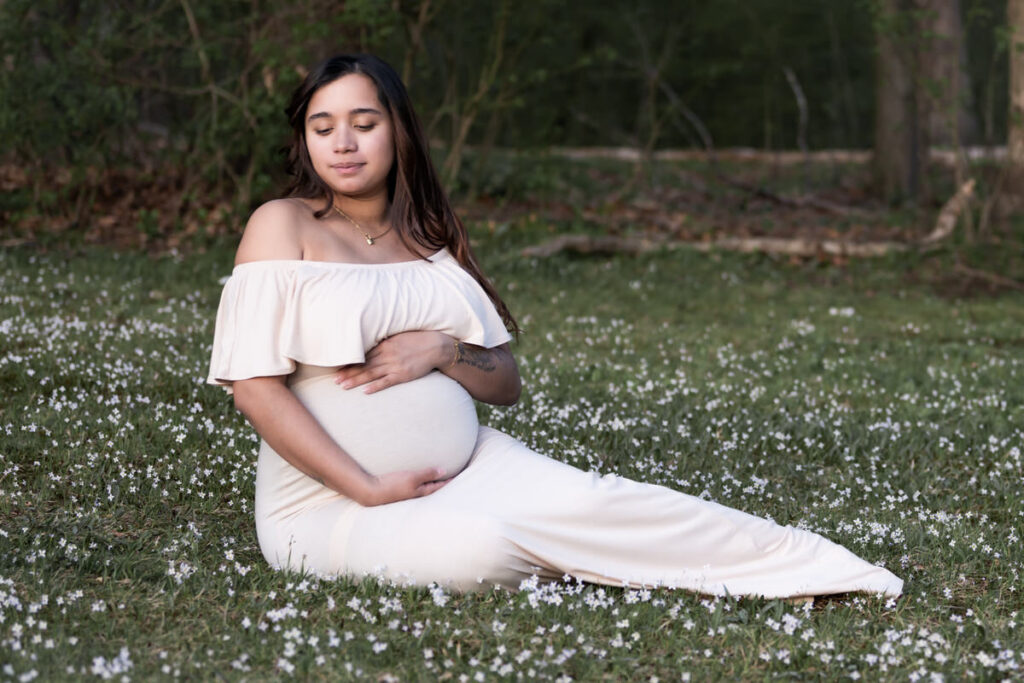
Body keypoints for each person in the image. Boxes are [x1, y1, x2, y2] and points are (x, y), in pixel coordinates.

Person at [207, 54, 903, 598]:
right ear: (305, 139)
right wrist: (365, 485)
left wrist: (444, 349)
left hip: (473, 467)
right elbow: (254, 389)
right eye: (323, 127)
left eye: (364, 122)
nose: (344, 143)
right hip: (330, 508)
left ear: (398, 128)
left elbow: (504, 383)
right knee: (481, 549)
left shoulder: (428, 241)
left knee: (610, 503)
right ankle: (571, 563)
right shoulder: (283, 225)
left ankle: (828, 571)